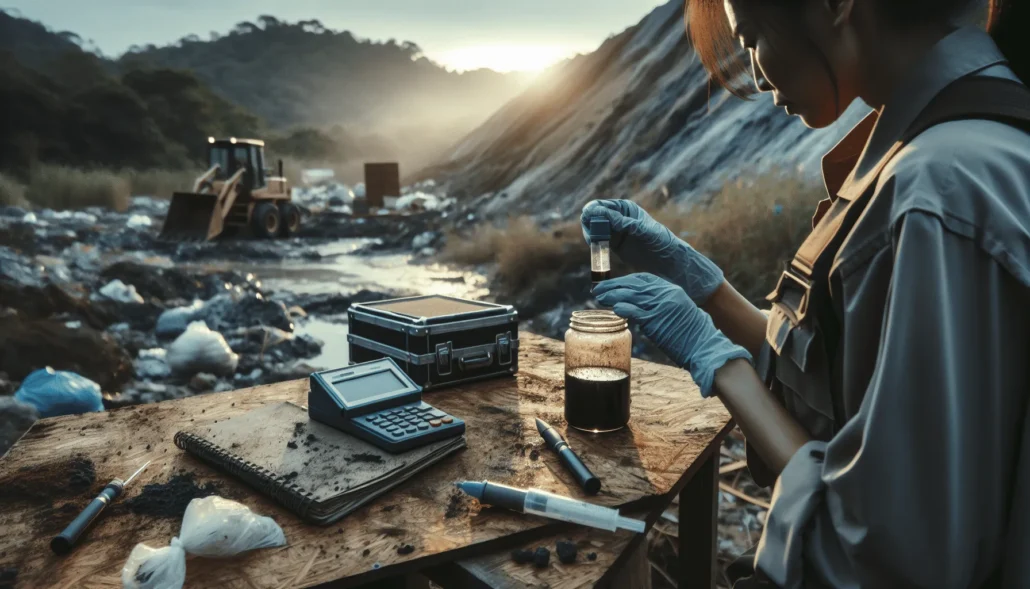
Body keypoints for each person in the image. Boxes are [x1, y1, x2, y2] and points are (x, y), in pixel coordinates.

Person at [581, 0, 1030, 586]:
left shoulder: (937, 189)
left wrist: (719, 366)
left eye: (751, 39)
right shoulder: (946, 137)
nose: (758, 72)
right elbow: (842, 390)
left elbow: (880, 551)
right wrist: (705, 285)